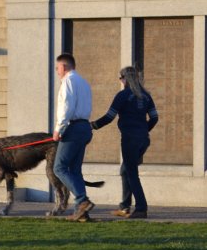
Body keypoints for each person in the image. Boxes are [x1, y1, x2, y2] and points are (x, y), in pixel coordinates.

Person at [91, 66, 159, 219]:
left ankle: (141, 208)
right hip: (143, 140)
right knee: (125, 170)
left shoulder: (122, 96)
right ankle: (125, 207)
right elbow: (155, 118)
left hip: (129, 140)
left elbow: (109, 117)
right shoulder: (146, 96)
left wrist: (93, 125)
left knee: (131, 173)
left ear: (125, 79)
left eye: (120, 78)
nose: (120, 81)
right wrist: (143, 131)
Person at [52, 53, 95, 221]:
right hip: (84, 127)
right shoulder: (83, 82)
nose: (57, 71)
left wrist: (58, 129)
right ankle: (81, 212)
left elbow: (66, 107)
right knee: (75, 170)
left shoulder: (68, 81)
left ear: (64, 67)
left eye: (57, 68)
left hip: (73, 128)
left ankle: (82, 201)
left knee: (59, 168)